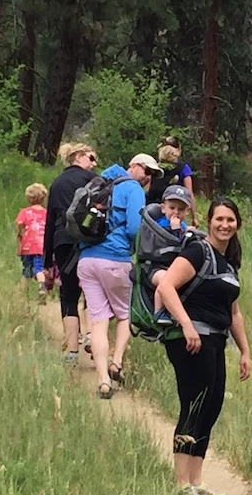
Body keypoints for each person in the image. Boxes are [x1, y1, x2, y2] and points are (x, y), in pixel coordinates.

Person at [156, 197, 251, 495]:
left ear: (237, 224)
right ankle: (181, 486)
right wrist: (187, 326)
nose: (225, 225)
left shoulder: (229, 262)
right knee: (193, 408)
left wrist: (245, 351)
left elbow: (234, 312)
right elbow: (167, 286)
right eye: (219, 219)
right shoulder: (197, 251)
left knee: (210, 409)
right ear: (209, 220)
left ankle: (196, 482)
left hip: (216, 340)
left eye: (231, 220)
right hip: (192, 341)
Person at [77, 153, 162, 398]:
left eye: (152, 174)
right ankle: (116, 362)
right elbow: (136, 227)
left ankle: (103, 380)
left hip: (87, 260)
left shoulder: (100, 183)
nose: (148, 177)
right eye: (146, 170)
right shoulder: (132, 187)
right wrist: (139, 251)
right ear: (133, 166)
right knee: (125, 314)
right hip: (115, 259)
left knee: (99, 320)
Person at [43, 143, 98, 365]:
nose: (94, 163)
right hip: (89, 241)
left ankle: (72, 352)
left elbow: (49, 222)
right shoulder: (94, 181)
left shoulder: (57, 184)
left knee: (69, 294)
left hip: (63, 241)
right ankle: (92, 337)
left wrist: (47, 261)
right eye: (91, 158)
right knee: (92, 292)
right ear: (78, 156)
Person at [150, 184, 191, 325]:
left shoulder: (183, 225)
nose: (176, 213)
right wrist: (175, 230)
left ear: (187, 212)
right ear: (163, 208)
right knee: (166, 280)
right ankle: (159, 311)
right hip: (156, 267)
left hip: (175, 266)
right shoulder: (160, 224)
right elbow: (170, 242)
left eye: (181, 209)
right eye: (172, 208)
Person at [146, 136, 198, 227]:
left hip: (151, 211)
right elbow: (189, 193)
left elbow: (147, 190)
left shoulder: (155, 168)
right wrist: (194, 217)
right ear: (178, 150)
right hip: (175, 212)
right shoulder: (183, 168)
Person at [16, 183, 48, 303]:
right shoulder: (46, 213)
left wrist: (19, 233)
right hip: (42, 245)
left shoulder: (25, 212)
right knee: (39, 268)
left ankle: (20, 292)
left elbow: (19, 224)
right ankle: (41, 287)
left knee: (27, 269)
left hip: (28, 245)